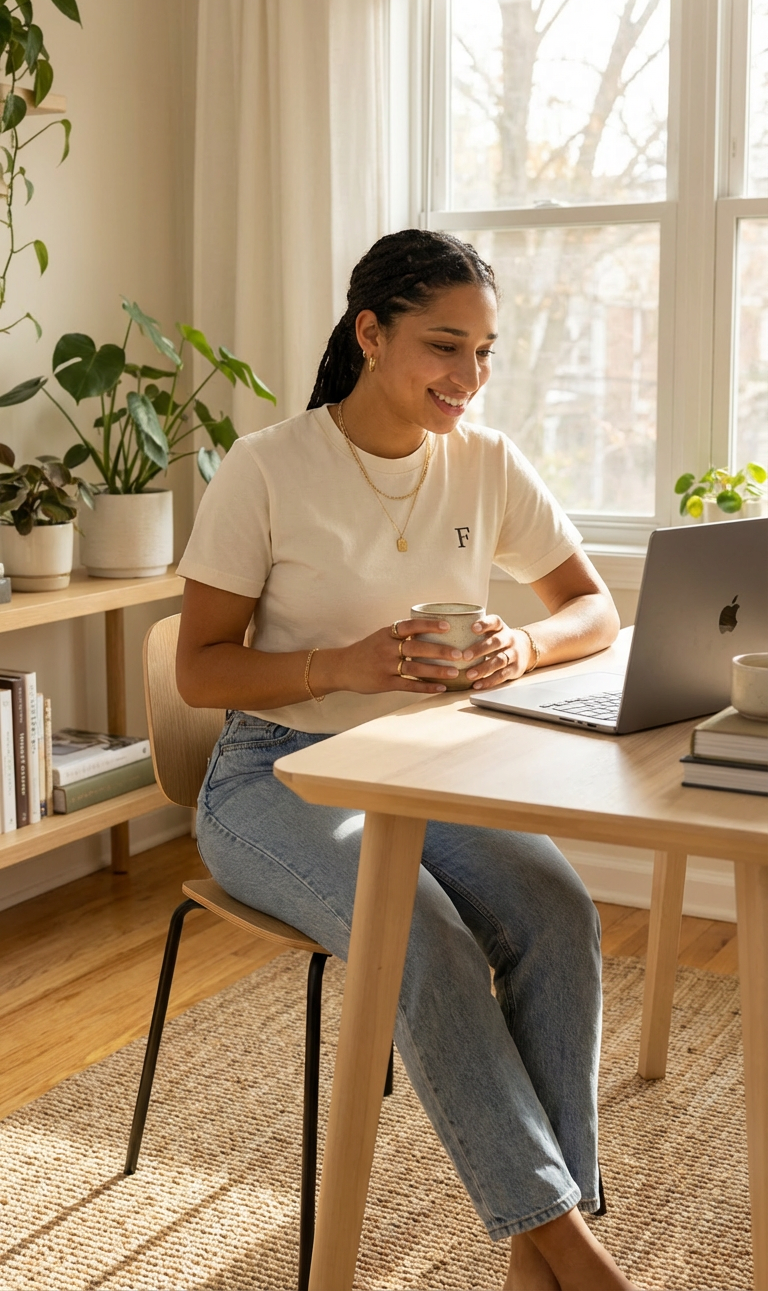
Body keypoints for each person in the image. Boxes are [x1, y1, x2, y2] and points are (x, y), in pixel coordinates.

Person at [176, 229, 637, 1291]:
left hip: (428, 766)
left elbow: (591, 606)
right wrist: (341, 663)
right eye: (445, 346)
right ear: (371, 332)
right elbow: (200, 671)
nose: (468, 379)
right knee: (419, 936)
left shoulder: (485, 461)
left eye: (485, 352)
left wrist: (521, 644)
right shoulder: (269, 466)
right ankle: (568, 1244)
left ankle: (537, 1254)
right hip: (273, 775)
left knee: (558, 912)